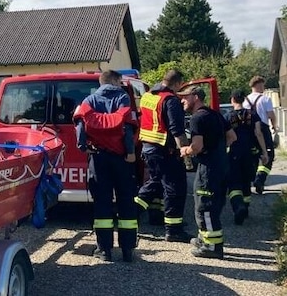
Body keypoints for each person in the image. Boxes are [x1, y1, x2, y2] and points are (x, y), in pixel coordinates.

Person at [74, 70, 138, 262]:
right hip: (122, 158)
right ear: (116, 80)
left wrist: (83, 147)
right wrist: (131, 152)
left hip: (99, 157)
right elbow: (127, 127)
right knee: (126, 201)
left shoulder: (89, 100)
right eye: (120, 81)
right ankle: (127, 251)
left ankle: (104, 250)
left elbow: (80, 125)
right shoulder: (123, 98)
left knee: (102, 203)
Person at [135, 69, 193, 242]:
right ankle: (173, 230)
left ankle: (132, 213)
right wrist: (186, 153)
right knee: (175, 188)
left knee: (156, 183)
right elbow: (177, 130)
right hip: (164, 150)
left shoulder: (147, 96)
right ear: (177, 83)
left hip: (148, 148)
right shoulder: (170, 100)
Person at [179, 86, 236, 259]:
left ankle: (212, 247)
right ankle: (205, 240)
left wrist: (185, 151)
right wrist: (217, 150)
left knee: (204, 207)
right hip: (221, 166)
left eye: (185, 97)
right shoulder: (216, 114)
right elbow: (232, 137)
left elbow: (197, 146)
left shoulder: (197, 118)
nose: (182, 100)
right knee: (215, 204)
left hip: (207, 169)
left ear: (195, 97)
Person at [225, 89, 269, 224]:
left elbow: (226, 137)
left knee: (233, 183)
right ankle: (246, 208)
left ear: (232, 100)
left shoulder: (228, 116)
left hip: (234, 153)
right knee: (246, 182)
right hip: (250, 153)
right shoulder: (253, 114)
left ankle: (238, 207)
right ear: (243, 100)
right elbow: (258, 133)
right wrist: (264, 152)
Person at [243, 76, 278, 194]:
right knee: (269, 155)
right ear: (258, 85)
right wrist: (274, 125)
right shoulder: (265, 99)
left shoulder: (246, 100)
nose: (264, 87)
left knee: (254, 155)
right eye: (263, 85)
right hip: (262, 128)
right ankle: (260, 179)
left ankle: (250, 179)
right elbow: (271, 115)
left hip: (249, 131)